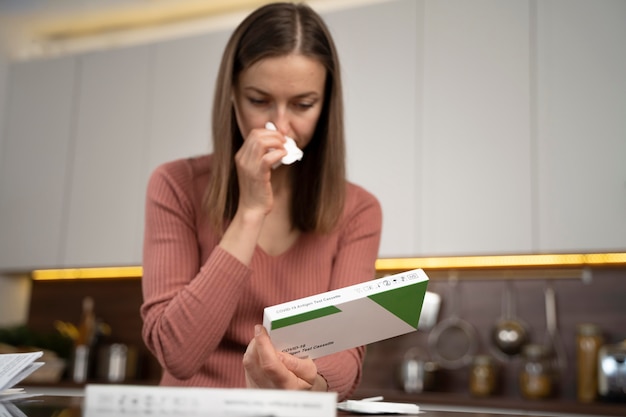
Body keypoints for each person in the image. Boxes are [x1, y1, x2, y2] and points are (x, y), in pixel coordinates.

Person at [140, 2, 382, 401]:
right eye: (259, 100)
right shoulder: (175, 185)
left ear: (326, 106)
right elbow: (177, 353)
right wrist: (249, 212)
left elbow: (346, 359)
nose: (280, 126)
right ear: (232, 94)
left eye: (303, 105)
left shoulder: (358, 210)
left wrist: (308, 382)